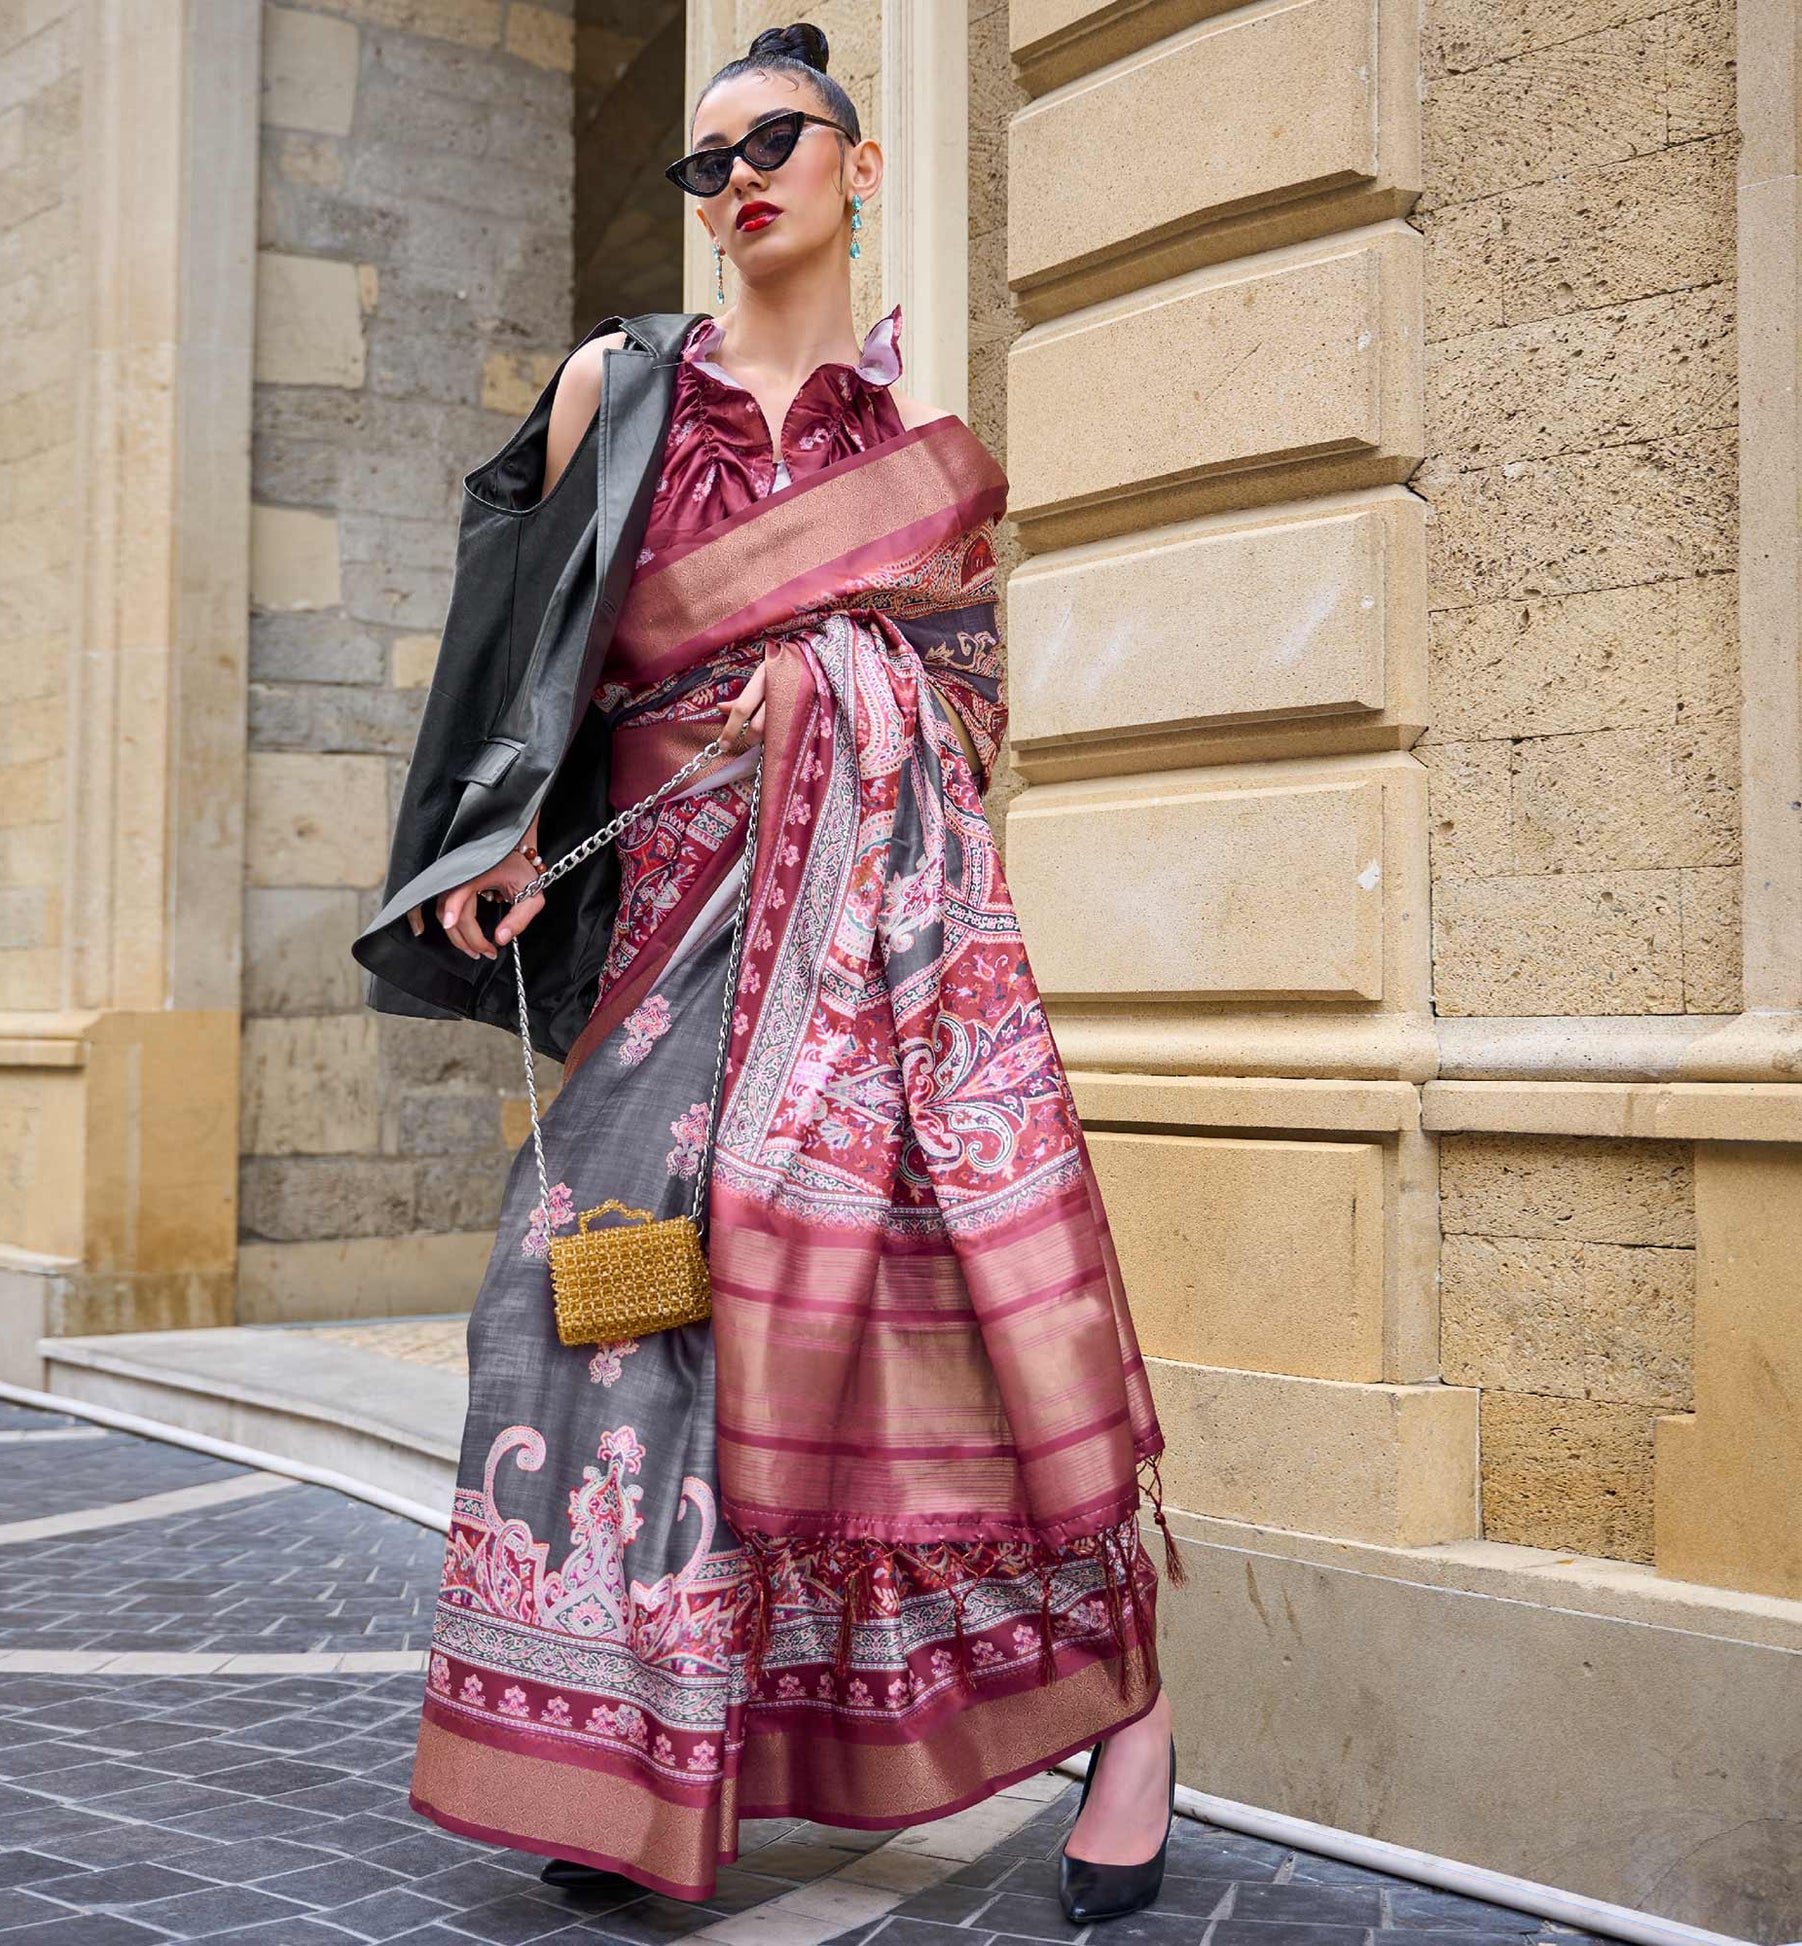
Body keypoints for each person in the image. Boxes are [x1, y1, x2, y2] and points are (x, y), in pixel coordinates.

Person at [365, 20, 1186, 1922]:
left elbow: (971, 718)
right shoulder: (617, 390)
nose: (737, 179)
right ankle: (634, 1758)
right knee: (596, 1311)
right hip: (662, 935)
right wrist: (482, 844)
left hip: (875, 969)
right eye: (707, 157)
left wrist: (832, 687)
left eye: (776, 144)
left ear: (857, 166)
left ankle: (1125, 1712)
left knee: (936, 1341)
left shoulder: (908, 459)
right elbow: (520, 648)